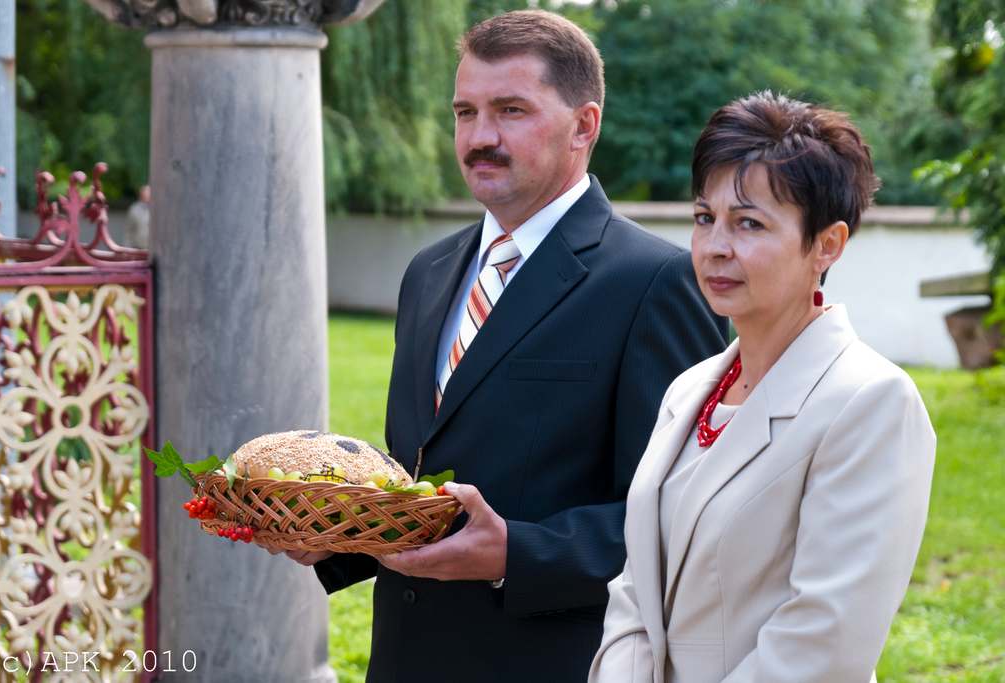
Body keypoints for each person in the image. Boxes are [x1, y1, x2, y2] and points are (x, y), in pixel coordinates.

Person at [283, 10, 726, 682]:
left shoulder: (657, 282)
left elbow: (686, 519)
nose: (479, 137)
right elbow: (422, 480)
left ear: (585, 125)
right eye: (465, 112)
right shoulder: (428, 272)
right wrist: (338, 532)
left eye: (510, 110)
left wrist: (516, 553)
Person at [589, 92, 936, 683]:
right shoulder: (689, 390)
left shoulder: (871, 402)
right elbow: (633, 591)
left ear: (827, 245)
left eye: (749, 223)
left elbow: (824, 642)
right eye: (706, 218)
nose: (717, 247)